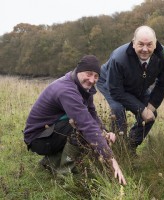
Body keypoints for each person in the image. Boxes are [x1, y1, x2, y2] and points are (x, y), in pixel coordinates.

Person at [23, 55, 126, 185]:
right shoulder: (66, 90)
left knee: (88, 129)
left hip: (50, 132)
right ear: (78, 70)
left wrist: (104, 132)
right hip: (38, 138)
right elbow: (87, 125)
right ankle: (65, 174)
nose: (92, 80)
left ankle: (51, 162)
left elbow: (92, 115)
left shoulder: (82, 87)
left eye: (96, 76)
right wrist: (111, 159)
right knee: (81, 128)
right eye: (89, 74)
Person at [96, 25, 164, 154]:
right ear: (133, 43)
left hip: (137, 84)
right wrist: (141, 109)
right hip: (110, 83)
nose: (145, 49)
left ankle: (130, 147)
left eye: (149, 45)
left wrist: (151, 107)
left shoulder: (162, 54)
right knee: (118, 110)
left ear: (155, 44)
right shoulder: (118, 58)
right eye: (140, 44)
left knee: (151, 115)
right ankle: (117, 150)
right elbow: (116, 91)